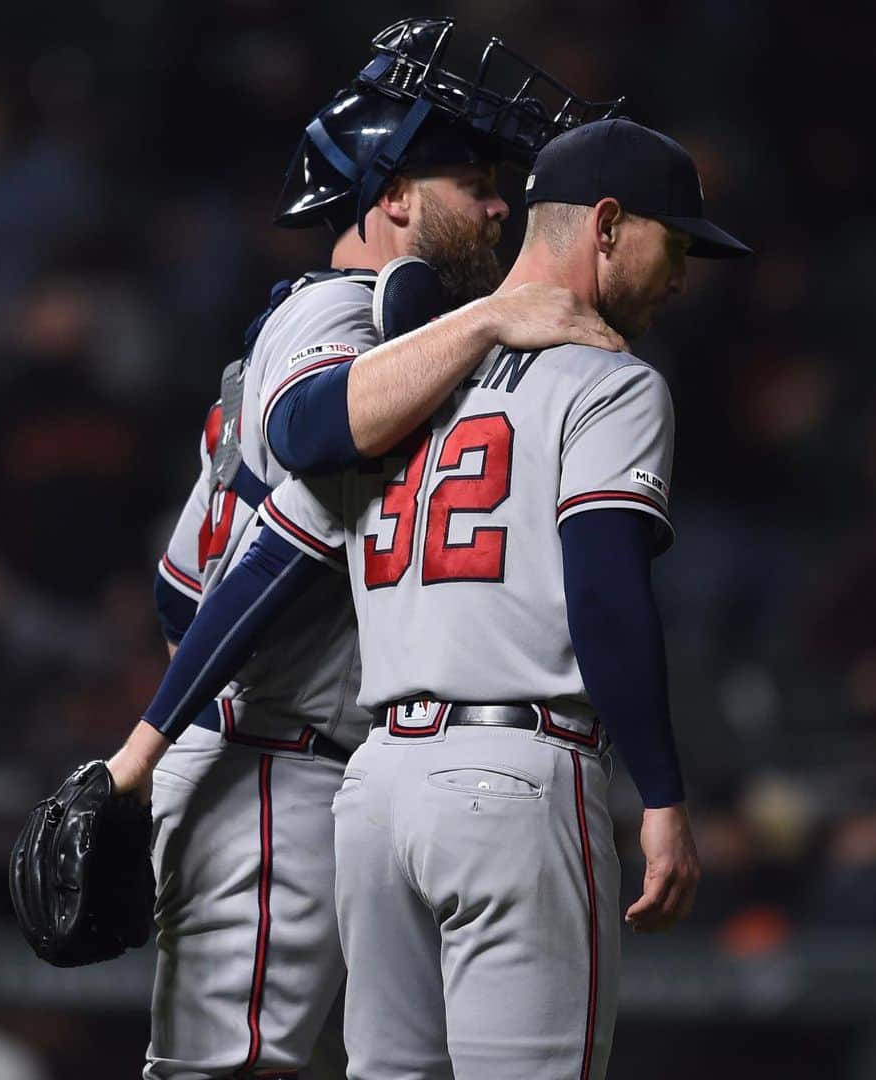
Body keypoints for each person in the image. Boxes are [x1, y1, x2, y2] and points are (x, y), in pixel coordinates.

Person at [112, 117, 749, 1078]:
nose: (685, 274)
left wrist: (139, 751)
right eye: (677, 241)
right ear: (608, 226)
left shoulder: (406, 379)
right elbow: (607, 599)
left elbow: (224, 575)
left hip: (376, 791)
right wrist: (661, 794)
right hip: (506, 768)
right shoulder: (600, 376)